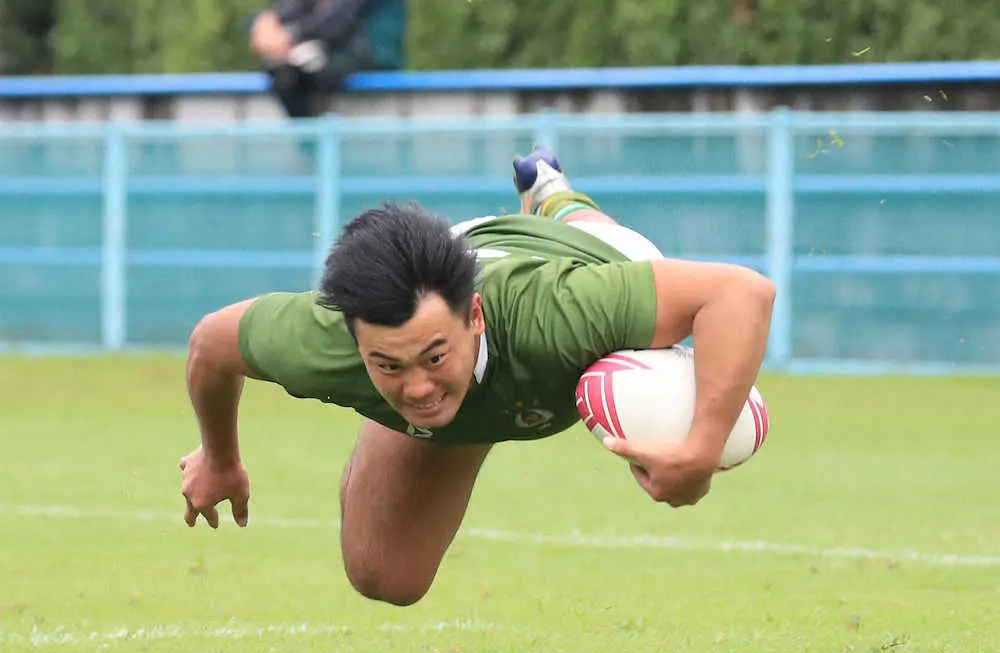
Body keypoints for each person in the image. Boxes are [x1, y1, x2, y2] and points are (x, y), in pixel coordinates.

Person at [180, 147, 775, 606]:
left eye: (434, 356)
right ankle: (455, 379)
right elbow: (210, 343)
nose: (415, 387)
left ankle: (560, 200)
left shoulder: (560, 316)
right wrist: (220, 457)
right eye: (386, 364)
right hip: (473, 263)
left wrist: (699, 449)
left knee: (603, 255)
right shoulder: (323, 336)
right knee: (385, 574)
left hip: (592, 257)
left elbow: (741, 293)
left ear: (475, 319)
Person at [249, 0, 405, 119]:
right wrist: (267, 22)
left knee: (299, 73)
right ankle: (312, 150)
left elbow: (337, 20)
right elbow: (290, 11)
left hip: (367, 59)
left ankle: (316, 149)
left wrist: (288, 34)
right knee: (283, 72)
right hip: (324, 58)